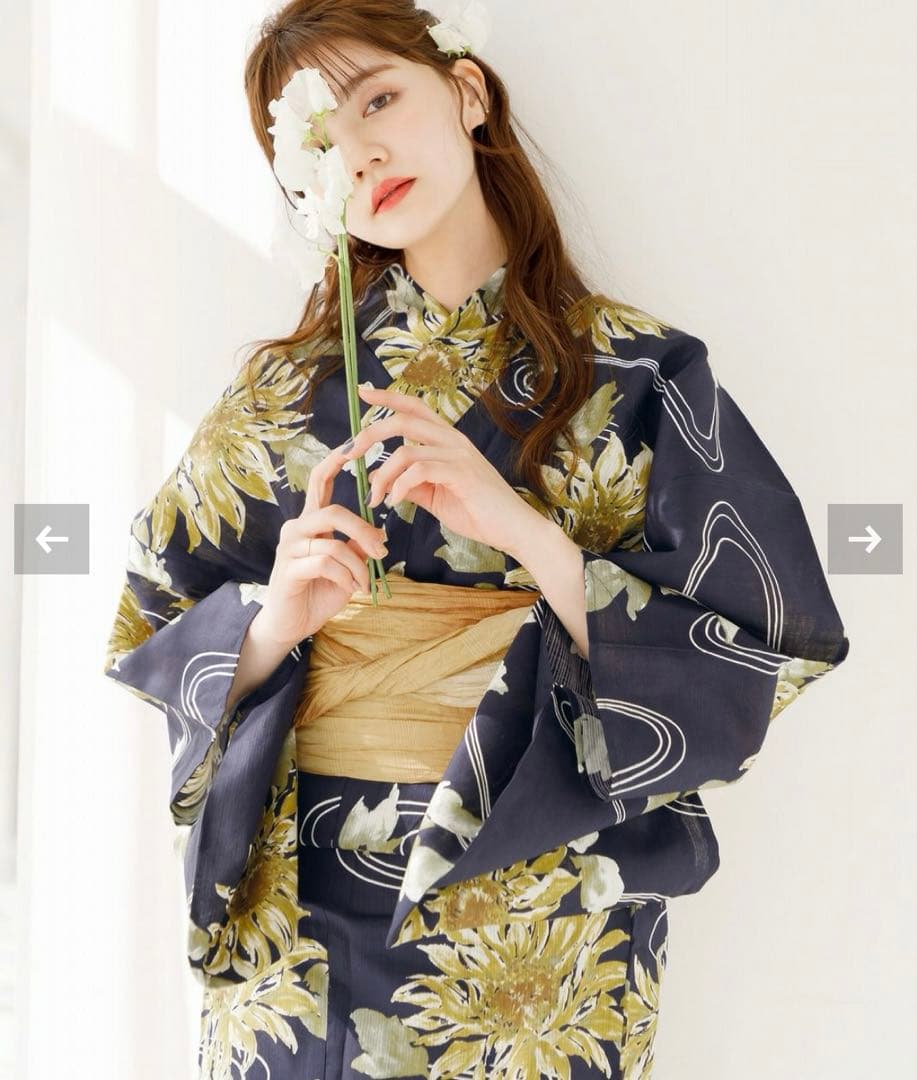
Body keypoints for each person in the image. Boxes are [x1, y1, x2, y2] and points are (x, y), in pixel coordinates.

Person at [101, 1, 851, 1076]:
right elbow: (153, 615)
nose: (361, 151)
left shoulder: (640, 374)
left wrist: (528, 537)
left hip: (540, 926)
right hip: (305, 924)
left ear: (465, 92)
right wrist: (272, 625)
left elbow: (761, 643)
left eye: (379, 99)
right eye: (321, 138)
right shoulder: (280, 394)